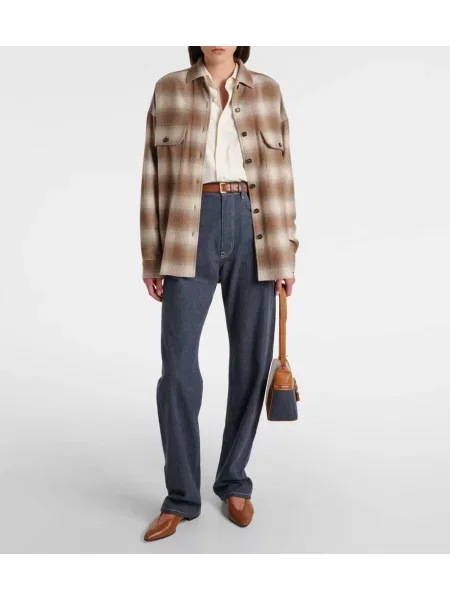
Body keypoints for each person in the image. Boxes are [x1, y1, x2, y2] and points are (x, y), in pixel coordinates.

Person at [140, 46, 299, 542]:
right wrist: (152, 255)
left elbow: (282, 175)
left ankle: (234, 480)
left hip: (256, 228)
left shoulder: (268, 91)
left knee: (251, 362)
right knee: (177, 367)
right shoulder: (169, 88)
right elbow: (151, 176)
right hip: (189, 226)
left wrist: (285, 252)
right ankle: (181, 496)